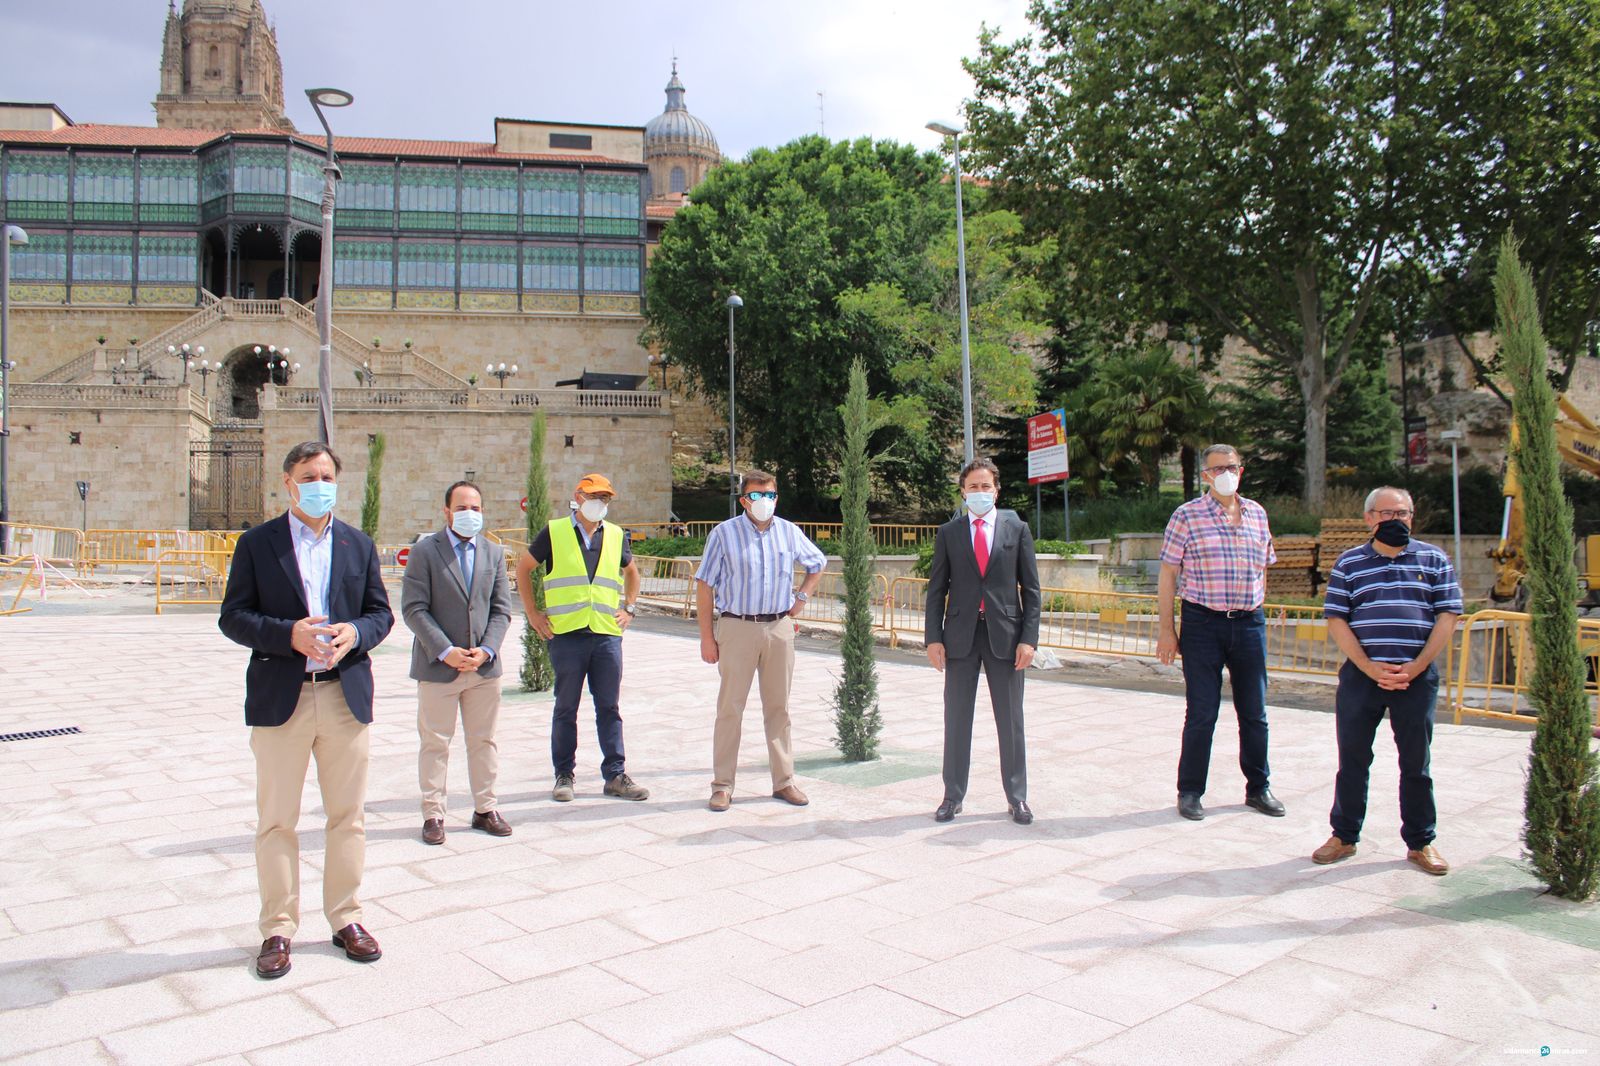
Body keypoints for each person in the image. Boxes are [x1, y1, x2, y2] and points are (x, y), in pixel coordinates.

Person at [218, 441, 393, 980]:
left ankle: (346, 917)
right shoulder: (257, 544)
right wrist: (286, 635)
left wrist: (356, 633)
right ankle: (277, 927)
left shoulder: (358, 544)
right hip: (281, 699)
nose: (320, 483)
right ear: (287, 482)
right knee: (277, 821)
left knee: (348, 817)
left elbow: (380, 614)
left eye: (327, 475)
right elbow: (233, 617)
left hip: (344, 695)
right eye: (308, 475)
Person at [1314, 487, 1461, 875]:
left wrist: (1415, 667)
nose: (1395, 520)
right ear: (1369, 518)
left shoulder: (1434, 559)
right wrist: (1366, 666)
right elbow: (1336, 618)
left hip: (1416, 677)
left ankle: (1421, 842)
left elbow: (1447, 616)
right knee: (1353, 760)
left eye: (1403, 513)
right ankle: (1343, 836)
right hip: (1362, 678)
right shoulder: (1349, 563)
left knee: (1417, 763)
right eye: (1386, 513)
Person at [1156, 444, 1284, 822]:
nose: (1225, 474)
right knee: (1201, 712)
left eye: (1231, 467)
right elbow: (1168, 574)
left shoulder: (1257, 514)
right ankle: (1191, 791)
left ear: (1241, 470)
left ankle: (1259, 787)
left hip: (1248, 623)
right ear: (1205, 476)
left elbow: (1265, 564)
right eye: (1217, 469)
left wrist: (1261, 604)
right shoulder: (1187, 516)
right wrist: (1167, 630)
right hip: (1203, 623)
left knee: (1255, 712)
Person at [695, 469, 827, 811]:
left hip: (779, 628)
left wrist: (801, 599)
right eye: (756, 495)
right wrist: (707, 637)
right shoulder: (724, 534)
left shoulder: (788, 532)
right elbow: (705, 585)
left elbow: (818, 563)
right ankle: (722, 785)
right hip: (737, 626)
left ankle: (784, 781)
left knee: (779, 709)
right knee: (730, 709)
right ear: (744, 499)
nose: (764, 501)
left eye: (769, 495)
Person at [515, 473, 649, 803]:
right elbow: (523, 568)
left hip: (605, 634)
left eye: (605, 498)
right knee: (566, 707)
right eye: (594, 496)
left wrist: (629, 608)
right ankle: (564, 774)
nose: (599, 503)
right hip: (567, 635)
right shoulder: (556, 531)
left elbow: (632, 572)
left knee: (609, 707)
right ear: (578, 495)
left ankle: (615, 775)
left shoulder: (616, 535)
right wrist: (533, 614)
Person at [924, 458, 1041, 825]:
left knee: (1011, 721)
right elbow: (936, 589)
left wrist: (1029, 639)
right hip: (959, 638)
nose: (979, 492)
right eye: (972, 487)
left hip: (1005, 638)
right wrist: (932, 638)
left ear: (997, 490)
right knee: (956, 719)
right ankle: (952, 795)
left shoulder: (1016, 528)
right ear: (962, 492)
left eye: (985, 486)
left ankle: (1017, 797)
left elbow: (1032, 590)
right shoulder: (949, 532)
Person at [402, 480, 515, 845]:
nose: (470, 514)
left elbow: (501, 609)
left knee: (484, 741)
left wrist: (488, 648)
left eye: (476, 508)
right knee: (435, 742)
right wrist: (444, 649)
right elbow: (414, 608)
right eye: (463, 508)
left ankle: (486, 808)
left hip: (483, 668)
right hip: (439, 667)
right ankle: (434, 813)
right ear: (447, 511)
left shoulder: (493, 553)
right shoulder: (424, 552)